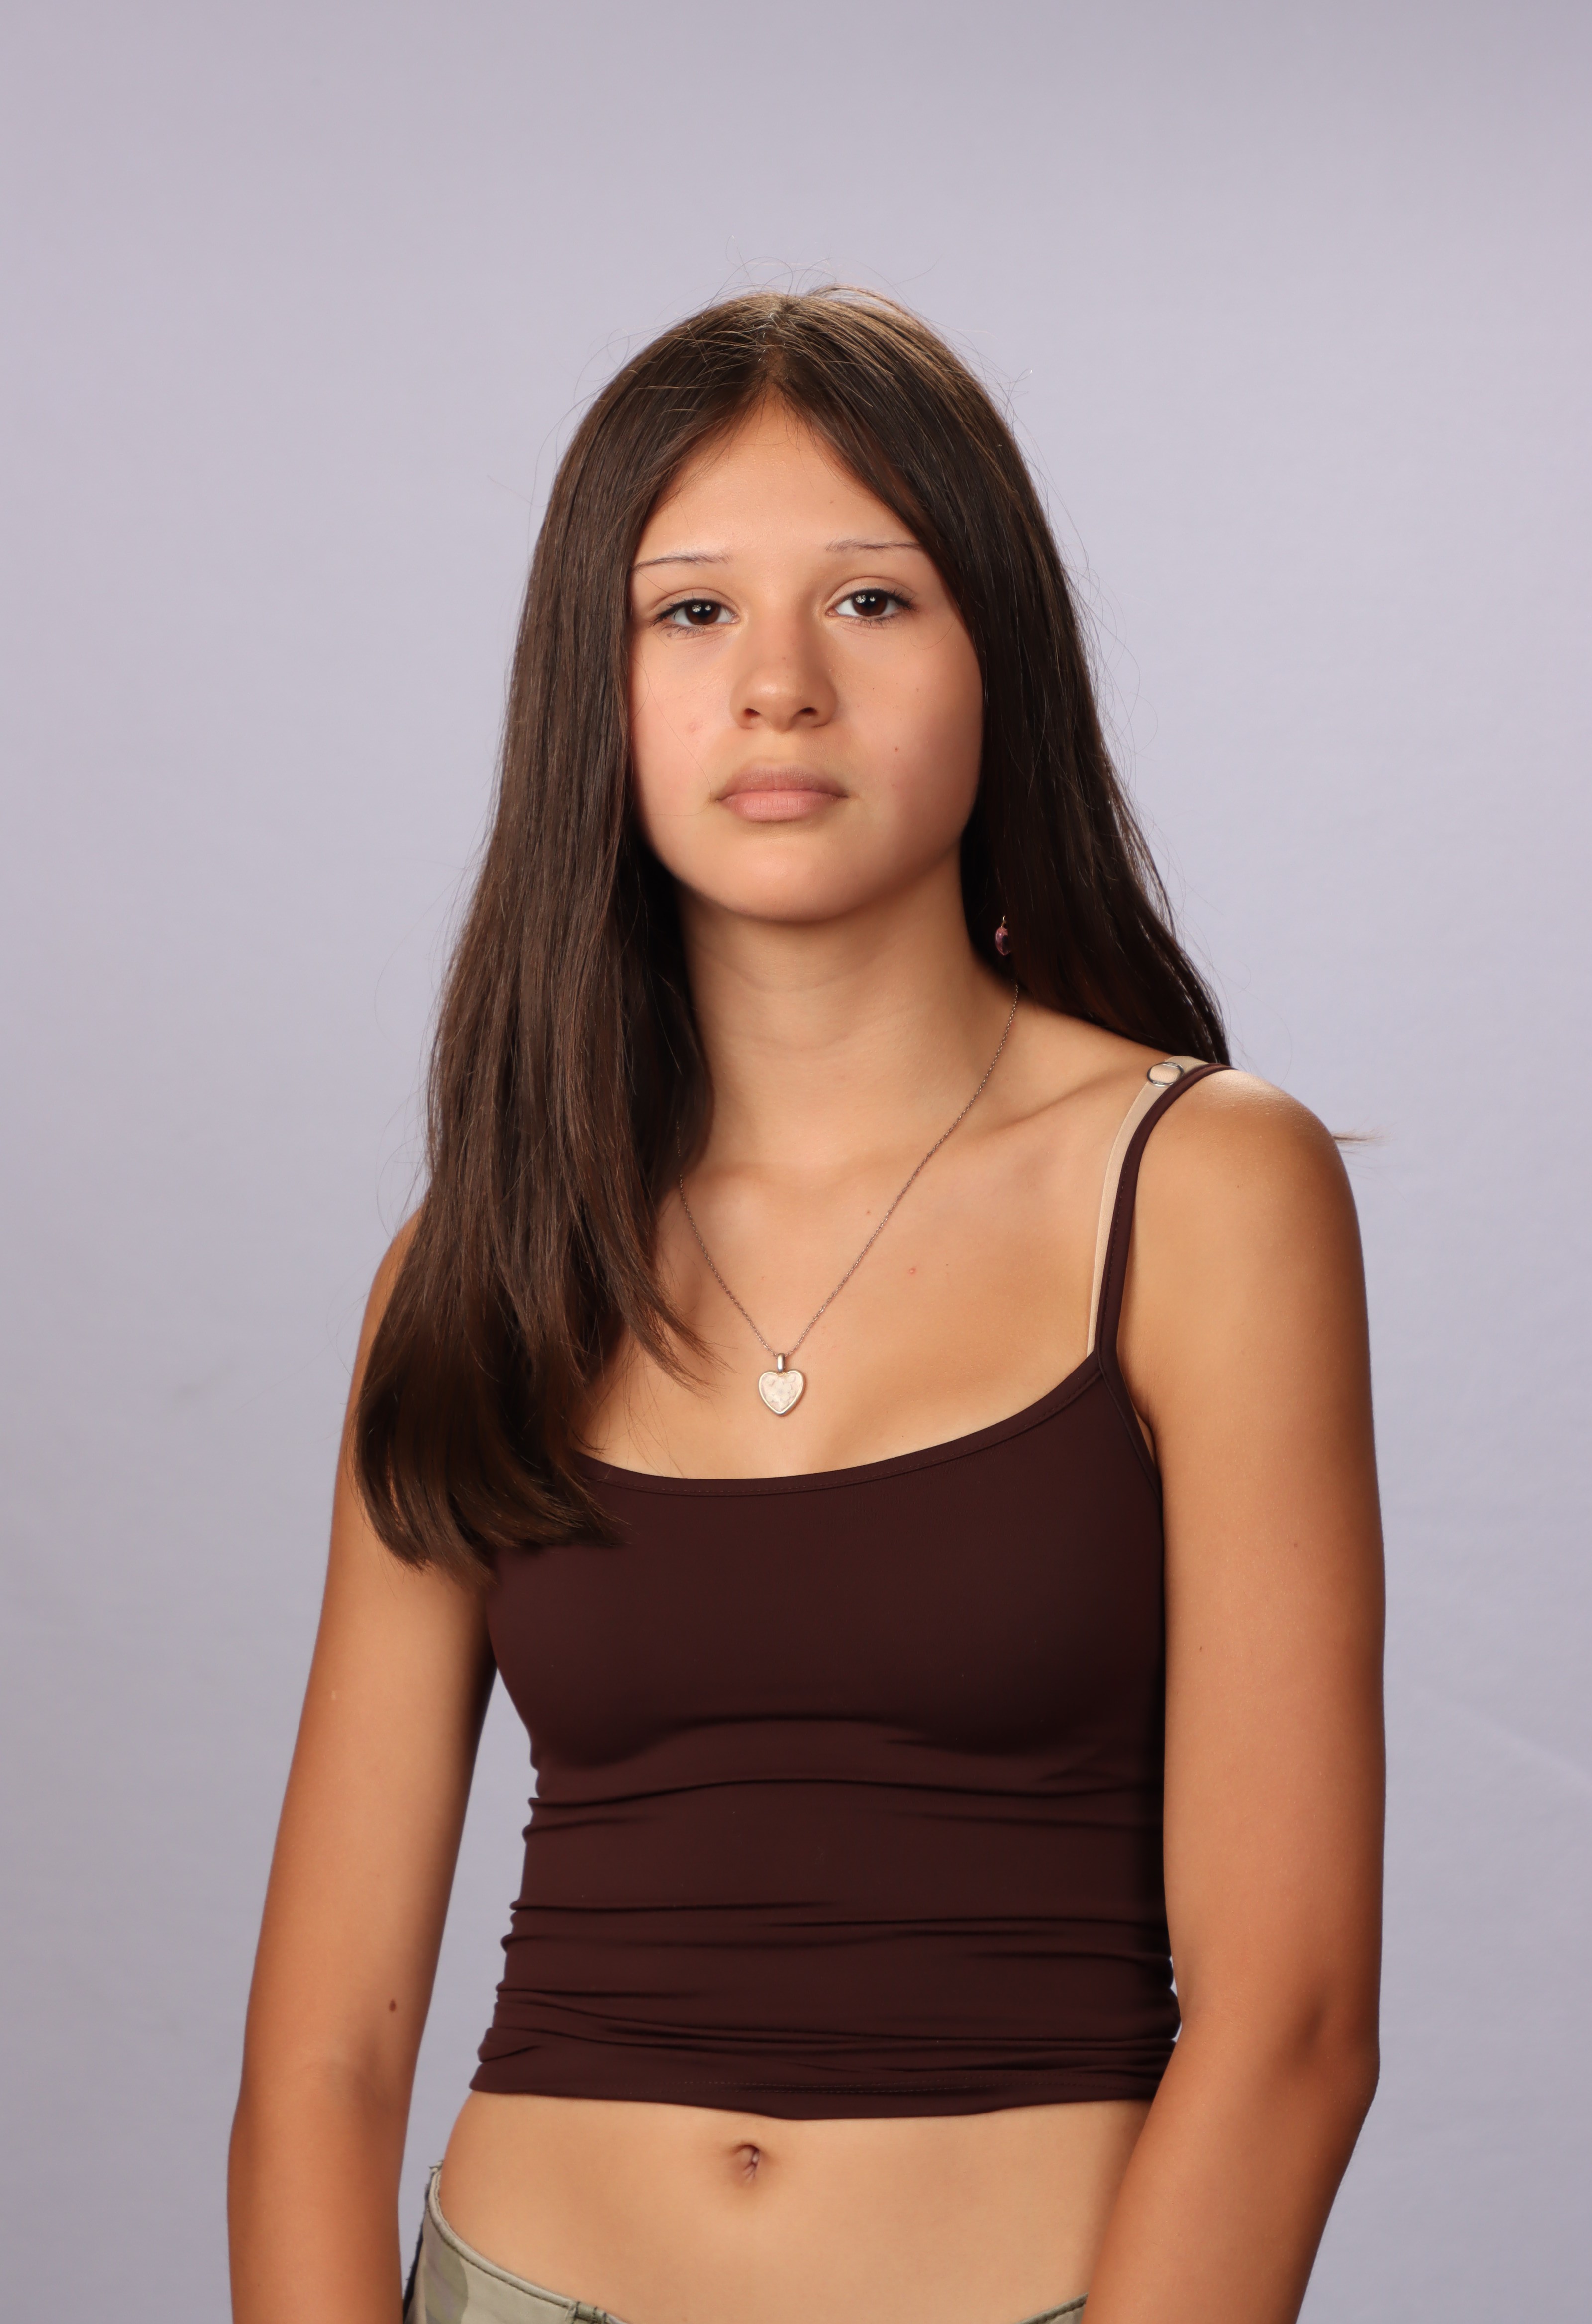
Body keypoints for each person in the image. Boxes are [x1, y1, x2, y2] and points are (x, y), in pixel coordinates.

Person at [228, 289, 1384, 2324]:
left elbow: (1289, 2023)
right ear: (590, 692)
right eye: (688, 613)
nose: (777, 686)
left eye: (869, 600)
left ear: (997, 661)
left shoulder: (1205, 1191)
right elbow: (321, 2060)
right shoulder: (484, 1256)